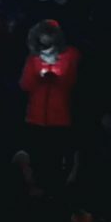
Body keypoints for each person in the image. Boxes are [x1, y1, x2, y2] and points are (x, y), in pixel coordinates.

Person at [20, 19, 80, 188]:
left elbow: (73, 82)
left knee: (57, 159)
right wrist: (38, 78)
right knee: (38, 159)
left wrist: (56, 78)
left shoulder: (70, 55)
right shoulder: (34, 58)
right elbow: (25, 85)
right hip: (36, 118)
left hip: (60, 117)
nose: (45, 38)